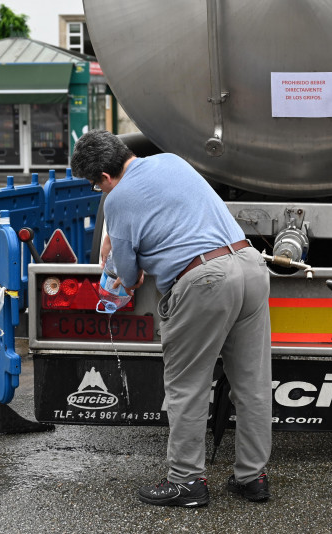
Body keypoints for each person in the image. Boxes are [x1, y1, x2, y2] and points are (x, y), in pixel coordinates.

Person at [71, 130, 272, 507]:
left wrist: (119, 260)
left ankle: (187, 483)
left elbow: (126, 276)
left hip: (204, 282)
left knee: (187, 388)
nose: (100, 192)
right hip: (250, 265)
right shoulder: (172, 160)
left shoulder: (118, 199)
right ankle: (252, 478)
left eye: (96, 186)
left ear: (104, 178)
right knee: (253, 385)